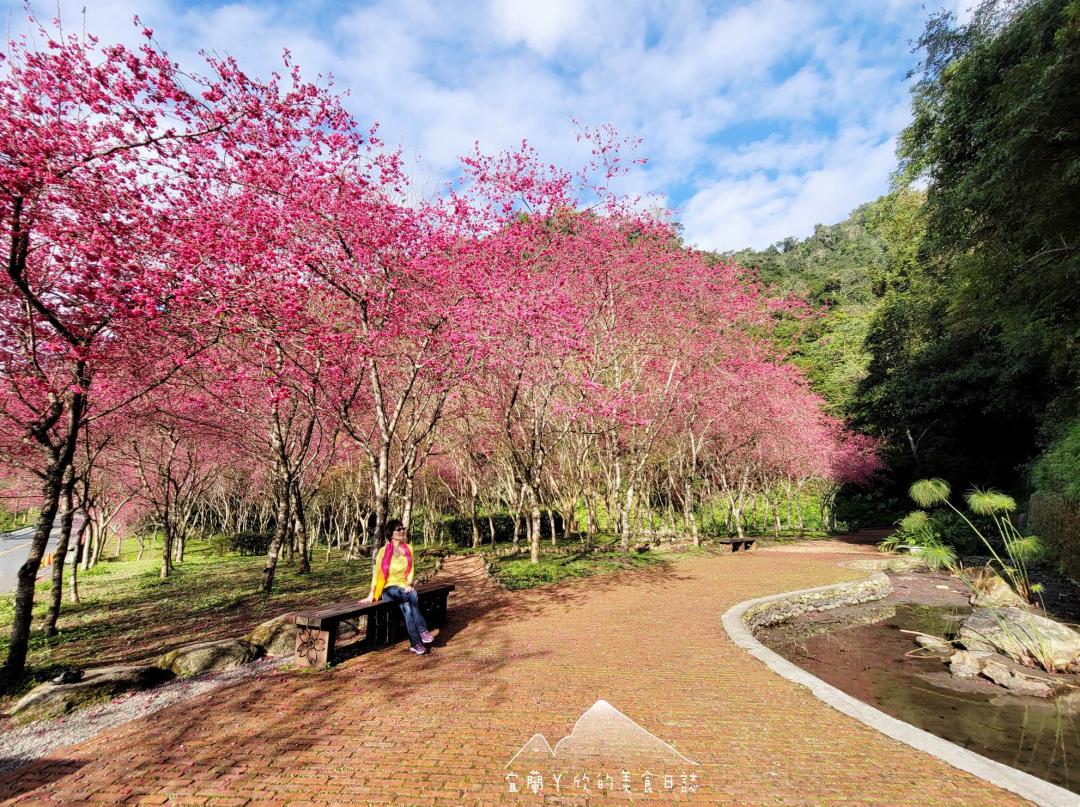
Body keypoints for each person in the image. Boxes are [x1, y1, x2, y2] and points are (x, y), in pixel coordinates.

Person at [360, 519, 434, 655]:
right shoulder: (383, 551)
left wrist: (409, 584)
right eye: (398, 529)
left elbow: (411, 570)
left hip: (403, 587)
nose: (402, 531)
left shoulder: (408, 548)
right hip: (388, 589)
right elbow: (376, 574)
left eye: (403, 528)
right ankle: (423, 630)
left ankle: (416, 643)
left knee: (407, 606)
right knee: (412, 595)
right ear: (390, 533)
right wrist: (371, 593)